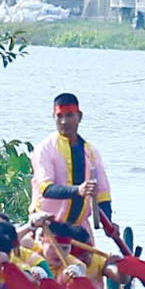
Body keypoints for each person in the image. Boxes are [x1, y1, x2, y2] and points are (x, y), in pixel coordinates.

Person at [31, 92, 113, 233]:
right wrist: (78, 190)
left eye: (69, 115)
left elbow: (102, 194)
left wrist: (109, 226)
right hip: (48, 227)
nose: (64, 121)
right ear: (54, 117)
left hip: (79, 227)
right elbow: (46, 189)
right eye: (59, 116)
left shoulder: (91, 152)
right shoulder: (44, 149)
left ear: (79, 117)